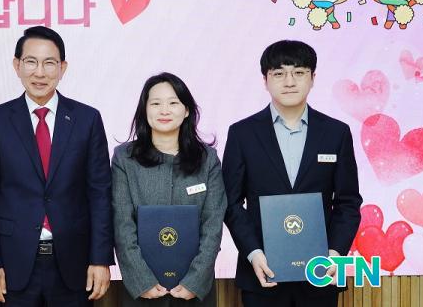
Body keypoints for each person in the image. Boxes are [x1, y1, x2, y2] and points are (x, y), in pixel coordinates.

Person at [0, 26, 114, 306]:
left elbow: (99, 194)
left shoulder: (87, 119)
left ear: (62, 68)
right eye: (31, 62)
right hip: (13, 264)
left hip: (73, 263)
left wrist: (100, 259)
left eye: (49, 63)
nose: (40, 72)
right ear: (17, 66)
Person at [222, 41, 362, 307]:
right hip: (262, 272)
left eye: (298, 72)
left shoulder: (336, 133)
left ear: (313, 78)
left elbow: (348, 202)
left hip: (321, 274)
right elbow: (230, 202)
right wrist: (253, 253)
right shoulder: (242, 133)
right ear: (265, 80)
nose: (289, 81)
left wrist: (334, 254)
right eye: (279, 73)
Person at [112, 72, 226, 307]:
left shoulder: (208, 160)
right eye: (156, 103)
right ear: (145, 110)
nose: (164, 111)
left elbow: (213, 225)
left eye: (173, 103)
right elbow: (122, 224)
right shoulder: (125, 159)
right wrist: (142, 281)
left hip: (194, 291)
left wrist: (195, 281)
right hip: (143, 291)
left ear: (186, 110)